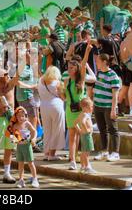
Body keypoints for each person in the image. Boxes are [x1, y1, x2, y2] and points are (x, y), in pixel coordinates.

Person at [60, 41, 95, 170]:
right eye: (68, 68)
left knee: (84, 136)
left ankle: (84, 161)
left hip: (81, 111)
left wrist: (87, 52)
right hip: (70, 110)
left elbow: (84, 64)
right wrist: (60, 93)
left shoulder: (81, 78)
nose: (69, 70)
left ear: (76, 69)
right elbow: (64, 97)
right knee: (72, 137)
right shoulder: (66, 81)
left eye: (71, 68)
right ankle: (72, 160)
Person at [93, 54, 122, 162]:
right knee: (102, 129)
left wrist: (114, 109)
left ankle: (115, 152)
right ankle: (104, 151)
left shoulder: (113, 75)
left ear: (105, 62)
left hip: (108, 106)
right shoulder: (99, 73)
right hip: (98, 105)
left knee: (113, 129)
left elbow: (115, 94)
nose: (96, 63)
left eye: (98, 61)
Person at [37, 66, 66, 161]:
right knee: (57, 130)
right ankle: (52, 154)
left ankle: (46, 153)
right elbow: (63, 97)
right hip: (56, 105)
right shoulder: (57, 83)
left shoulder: (41, 80)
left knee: (47, 130)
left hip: (43, 106)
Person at [7, 107, 39, 188]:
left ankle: (35, 179)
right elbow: (11, 136)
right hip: (19, 147)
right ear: (16, 117)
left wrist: (34, 138)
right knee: (20, 164)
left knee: (31, 163)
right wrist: (14, 141)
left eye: (23, 116)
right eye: (19, 116)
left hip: (27, 146)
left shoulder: (27, 123)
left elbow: (34, 131)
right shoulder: (15, 126)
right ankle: (21, 180)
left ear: (25, 116)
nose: (21, 118)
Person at [73, 98, 97, 174]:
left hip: (83, 135)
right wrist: (87, 129)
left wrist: (79, 130)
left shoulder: (81, 114)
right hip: (87, 135)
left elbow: (75, 123)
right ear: (86, 107)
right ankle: (87, 167)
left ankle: (83, 166)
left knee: (83, 152)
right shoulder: (86, 115)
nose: (92, 108)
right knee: (86, 153)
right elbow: (83, 122)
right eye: (91, 106)